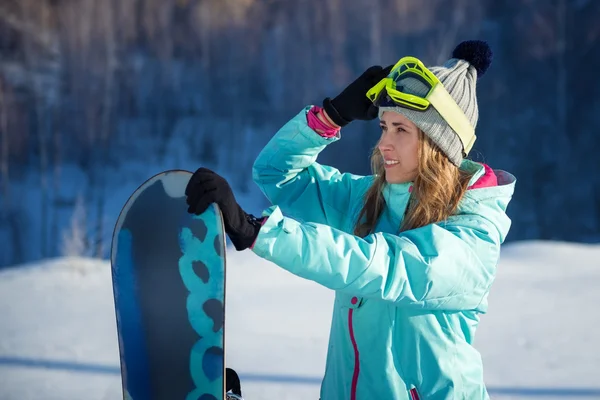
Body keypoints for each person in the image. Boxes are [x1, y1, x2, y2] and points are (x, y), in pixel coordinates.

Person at [185, 40, 516, 400]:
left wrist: (258, 233)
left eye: (401, 130)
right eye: (383, 127)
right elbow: (276, 173)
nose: (383, 144)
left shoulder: (473, 236)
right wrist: (332, 116)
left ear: (440, 146)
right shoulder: (369, 202)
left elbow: (383, 265)